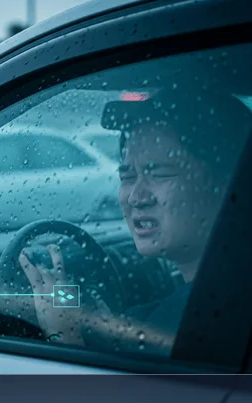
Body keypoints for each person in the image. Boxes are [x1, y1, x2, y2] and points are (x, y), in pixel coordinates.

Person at [17, 89, 252, 352]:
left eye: (160, 174)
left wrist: (63, 335)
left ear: (228, 183)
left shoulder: (184, 325)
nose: (136, 197)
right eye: (127, 177)